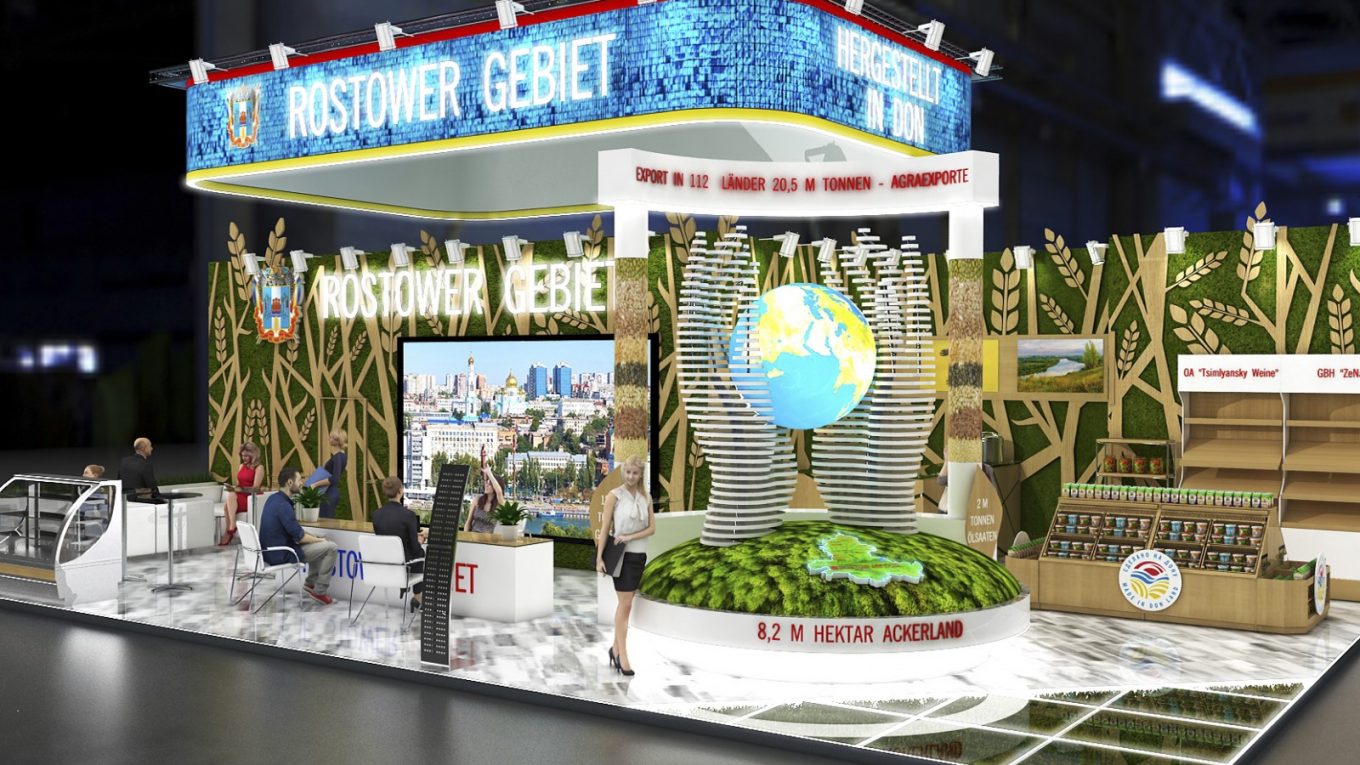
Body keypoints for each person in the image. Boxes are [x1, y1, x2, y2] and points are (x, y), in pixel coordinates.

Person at [595, 455, 655, 677]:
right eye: (627, 472)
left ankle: (614, 649)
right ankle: (623, 655)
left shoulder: (646, 497)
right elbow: (604, 529)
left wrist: (629, 536)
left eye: (635, 473)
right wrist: (599, 558)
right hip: (621, 557)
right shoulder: (614, 496)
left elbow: (651, 529)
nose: (630, 476)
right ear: (623, 472)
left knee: (625, 605)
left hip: (639, 556)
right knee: (626, 605)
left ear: (640, 475)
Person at [258, 467, 339, 605]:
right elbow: (300, 537)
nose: (302, 483)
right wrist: (319, 540)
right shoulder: (283, 505)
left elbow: (294, 531)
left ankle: (310, 583)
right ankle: (320, 592)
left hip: (271, 550)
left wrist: (317, 538)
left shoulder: (273, 499)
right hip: (282, 554)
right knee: (331, 547)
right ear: (290, 482)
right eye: (299, 480)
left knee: (320, 538)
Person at [372, 476, 427, 611]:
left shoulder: (376, 515)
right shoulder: (408, 515)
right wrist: (419, 541)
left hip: (383, 566)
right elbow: (414, 549)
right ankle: (418, 597)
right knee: (421, 553)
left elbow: (386, 541)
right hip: (403, 566)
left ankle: (414, 596)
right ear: (401, 490)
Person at [219, 441, 264, 546]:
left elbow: (255, 489)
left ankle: (231, 528)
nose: (244, 458)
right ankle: (229, 530)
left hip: (251, 497)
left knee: (230, 499)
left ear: (253, 455)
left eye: (246, 456)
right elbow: (239, 484)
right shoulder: (241, 466)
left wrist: (239, 490)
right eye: (242, 455)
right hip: (240, 495)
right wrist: (234, 487)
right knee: (226, 505)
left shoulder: (259, 468)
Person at [463, 444, 504, 534]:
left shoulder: (499, 504)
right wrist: (465, 537)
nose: (486, 484)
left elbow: (499, 492)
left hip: (487, 540)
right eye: (486, 482)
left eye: (489, 484)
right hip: (473, 536)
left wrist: (489, 473)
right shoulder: (478, 500)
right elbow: (468, 522)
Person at [311, 431, 348, 519]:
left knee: (325, 522)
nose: (329, 439)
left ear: (337, 440)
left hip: (329, 493)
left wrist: (315, 484)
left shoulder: (338, 457)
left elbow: (334, 478)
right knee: (326, 520)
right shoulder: (341, 456)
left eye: (331, 437)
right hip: (329, 492)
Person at [119, 437, 161, 502]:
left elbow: (119, 480)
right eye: (150, 446)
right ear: (144, 448)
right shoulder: (145, 464)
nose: (151, 448)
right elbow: (151, 485)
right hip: (140, 500)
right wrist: (160, 497)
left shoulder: (124, 461)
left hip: (124, 499)